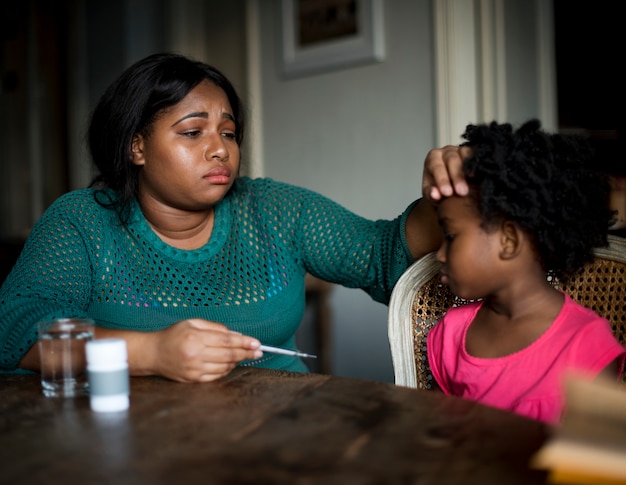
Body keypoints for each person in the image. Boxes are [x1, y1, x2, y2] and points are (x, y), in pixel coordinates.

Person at [0, 52, 443, 383]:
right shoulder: (83, 222)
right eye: (193, 133)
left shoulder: (274, 210)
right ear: (136, 146)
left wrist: (447, 195)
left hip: (280, 431)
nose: (220, 149)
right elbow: (14, 330)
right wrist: (152, 353)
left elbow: (382, 256)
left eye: (228, 133)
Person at [426, 120, 626, 424]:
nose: (440, 253)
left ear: (508, 240)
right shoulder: (449, 335)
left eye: (451, 236)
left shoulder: (586, 345)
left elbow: (593, 463)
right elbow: (440, 434)